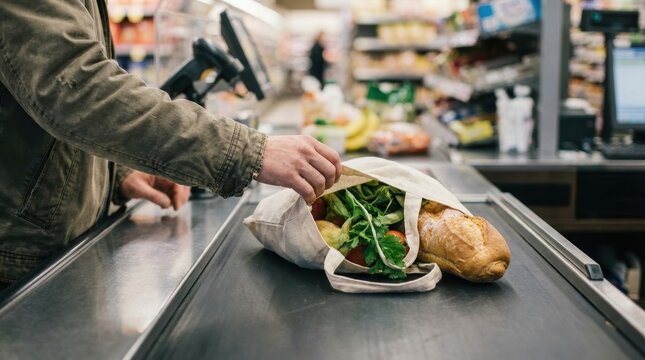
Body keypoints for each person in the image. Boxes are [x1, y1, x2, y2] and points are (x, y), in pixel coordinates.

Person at [0, 1, 341, 289]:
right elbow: (75, 87)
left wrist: (115, 173)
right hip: (18, 255)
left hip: (56, 240)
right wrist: (250, 151)